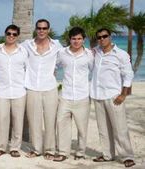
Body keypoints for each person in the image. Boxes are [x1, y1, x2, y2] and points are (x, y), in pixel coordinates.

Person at [91, 28, 135, 168]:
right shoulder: (95, 52)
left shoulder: (121, 55)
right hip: (98, 96)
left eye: (104, 36)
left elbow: (128, 75)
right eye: (99, 37)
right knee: (103, 129)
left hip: (114, 96)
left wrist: (123, 94)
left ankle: (127, 156)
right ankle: (107, 155)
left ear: (110, 37)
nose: (102, 39)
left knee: (120, 128)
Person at [22, 19, 62, 160]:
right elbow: (10, 46)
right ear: (35, 29)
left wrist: (93, 51)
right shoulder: (27, 45)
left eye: (44, 28)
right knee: (34, 122)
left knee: (50, 121)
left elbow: (70, 54)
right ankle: (36, 149)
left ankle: (50, 150)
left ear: (48, 30)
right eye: (39, 28)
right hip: (32, 88)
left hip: (50, 88)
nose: (41, 30)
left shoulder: (57, 45)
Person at [54, 27, 94, 162]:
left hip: (83, 96)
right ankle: (63, 152)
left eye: (79, 39)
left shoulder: (90, 55)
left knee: (82, 128)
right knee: (61, 124)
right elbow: (53, 66)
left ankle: (81, 152)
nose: (76, 41)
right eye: (73, 39)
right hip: (65, 96)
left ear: (83, 39)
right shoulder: (62, 53)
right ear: (69, 39)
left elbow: (96, 72)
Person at [0, 24, 28, 158]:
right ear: (5, 34)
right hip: (2, 92)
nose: (11, 36)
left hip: (19, 91)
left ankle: (14, 147)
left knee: (18, 121)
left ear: (18, 36)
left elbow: (29, 69)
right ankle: (1, 147)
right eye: (9, 33)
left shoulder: (23, 51)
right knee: (2, 120)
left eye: (14, 34)